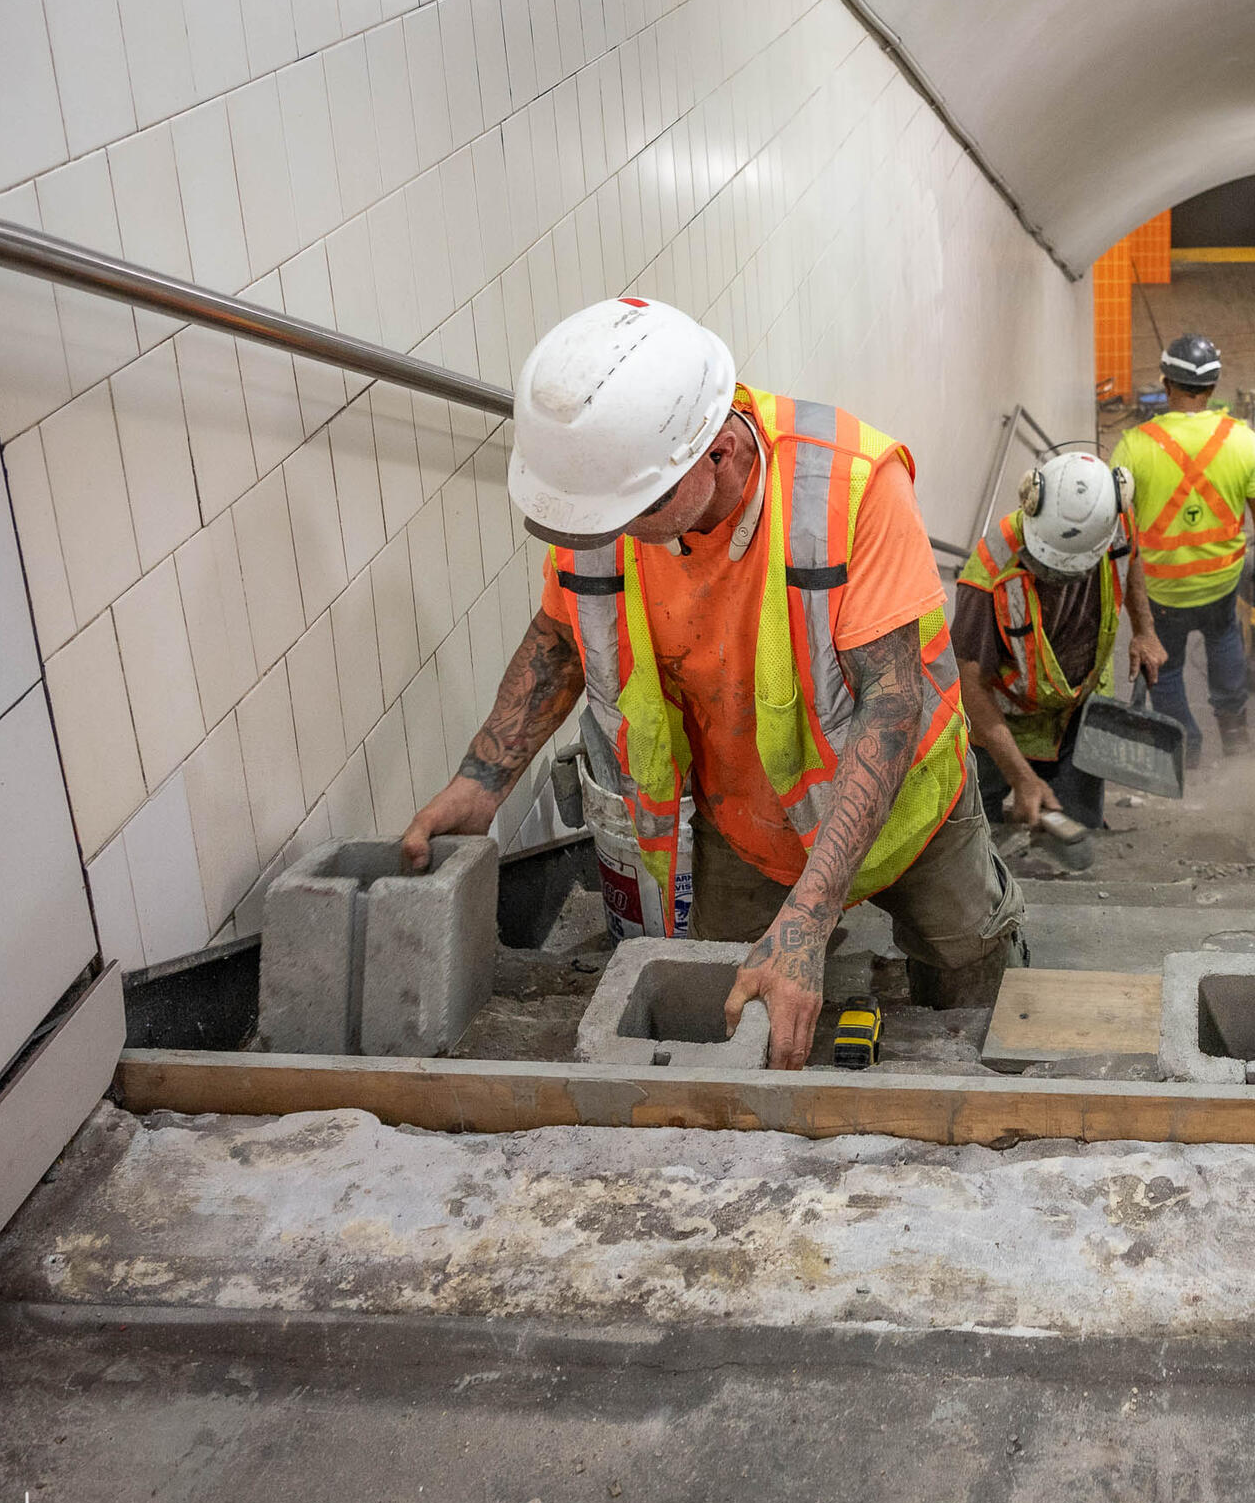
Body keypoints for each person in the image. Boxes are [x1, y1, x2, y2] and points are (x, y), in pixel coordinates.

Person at [400, 298, 1021, 1068]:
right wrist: (483, 778)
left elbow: (890, 707)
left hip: (905, 814)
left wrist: (807, 924)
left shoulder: (852, 486)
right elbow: (562, 636)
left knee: (966, 965)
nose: (614, 535)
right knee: (730, 1007)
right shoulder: (608, 505)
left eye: (636, 511)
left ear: (721, 451)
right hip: (740, 823)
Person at [952, 452, 1165, 829]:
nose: (1057, 577)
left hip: (1078, 710)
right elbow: (970, 685)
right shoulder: (987, 573)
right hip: (1004, 718)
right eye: (1048, 565)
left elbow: (1130, 556)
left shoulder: (1114, 519)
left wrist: (1145, 630)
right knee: (972, 831)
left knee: (1076, 835)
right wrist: (1020, 776)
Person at [1107, 333, 1255, 761]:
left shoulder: (1134, 445)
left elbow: (1112, 526)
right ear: (1213, 386)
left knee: (1165, 669)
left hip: (1161, 591)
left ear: (1166, 384)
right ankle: (1235, 734)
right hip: (1221, 584)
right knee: (1224, 639)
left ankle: (1185, 746)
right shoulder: (1241, 439)